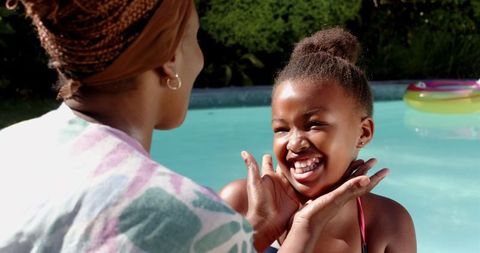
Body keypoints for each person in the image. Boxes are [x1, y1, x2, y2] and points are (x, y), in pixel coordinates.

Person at [0, 1, 387, 252]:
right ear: (169, 59)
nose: (199, 59)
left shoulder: (11, 149)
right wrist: (303, 226)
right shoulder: (187, 217)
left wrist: (258, 231)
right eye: (193, 40)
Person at [220, 28, 416, 253]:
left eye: (314, 124)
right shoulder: (240, 205)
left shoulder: (387, 222)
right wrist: (266, 226)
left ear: (363, 133)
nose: (294, 144)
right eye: (282, 129)